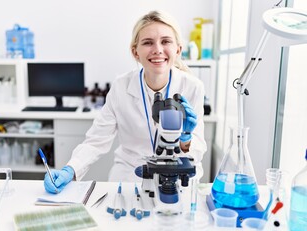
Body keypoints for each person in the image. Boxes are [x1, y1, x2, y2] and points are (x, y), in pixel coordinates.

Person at [44, 10, 207, 194]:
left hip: (177, 177)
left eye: (166, 41)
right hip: (131, 175)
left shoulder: (192, 87)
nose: (158, 49)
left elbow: (197, 149)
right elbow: (97, 140)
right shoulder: (121, 86)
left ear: (178, 49)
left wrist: (186, 139)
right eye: (148, 42)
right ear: (135, 52)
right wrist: (71, 169)